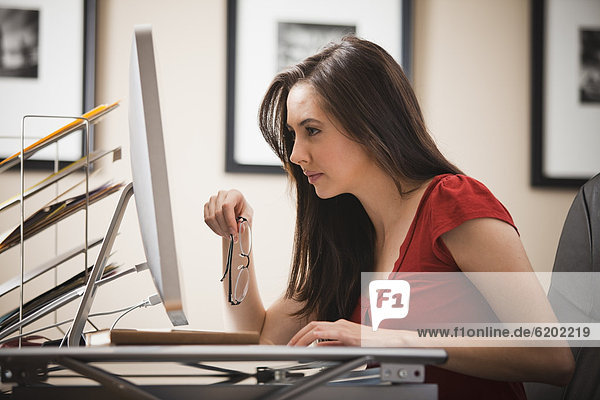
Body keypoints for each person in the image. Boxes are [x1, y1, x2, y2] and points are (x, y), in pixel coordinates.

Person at [204, 36, 574, 399]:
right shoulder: (349, 239)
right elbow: (260, 342)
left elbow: (551, 357)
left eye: (312, 131)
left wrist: (389, 340)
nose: (297, 154)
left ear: (369, 124)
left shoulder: (453, 202)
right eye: (292, 134)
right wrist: (236, 236)